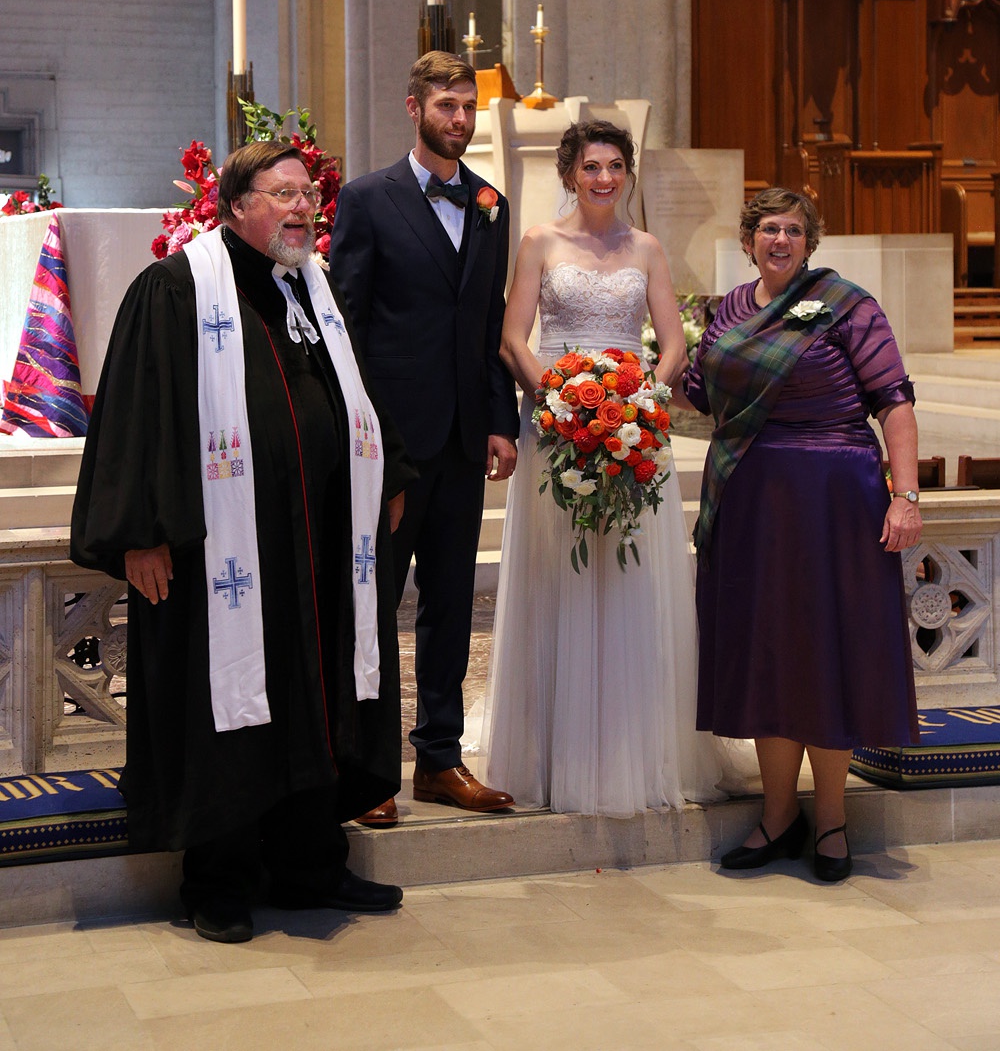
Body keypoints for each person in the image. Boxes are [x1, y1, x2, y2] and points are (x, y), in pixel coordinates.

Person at [71, 141, 415, 943]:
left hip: (319, 541)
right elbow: (135, 418)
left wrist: (387, 473)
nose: (303, 208)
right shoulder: (177, 290)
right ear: (235, 205)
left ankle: (309, 865)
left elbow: (357, 392)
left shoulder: (312, 290)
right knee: (229, 707)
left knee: (316, 695)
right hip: (219, 551)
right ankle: (218, 881)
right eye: (284, 193)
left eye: (309, 194)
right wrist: (141, 535)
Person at [677, 187, 922, 882]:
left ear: (809, 242)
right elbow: (698, 392)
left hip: (833, 500)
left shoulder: (848, 305)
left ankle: (834, 820)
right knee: (769, 651)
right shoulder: (725, 310)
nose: (779, 240)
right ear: (749, 239)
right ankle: (778, 817)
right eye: (766, 229)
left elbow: (894, 404)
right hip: (751, 497)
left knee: (825, 652)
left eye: (791, 231)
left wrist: (903, 497)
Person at [479, 119, 722, 815]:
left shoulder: (646, 248)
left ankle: (629, 744)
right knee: (559, 574)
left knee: (627, 575)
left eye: (615, 166)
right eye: (591, 166)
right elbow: (512, 336)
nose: (604, 178)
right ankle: (557, 751)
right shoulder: (539, 242)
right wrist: (555, 399)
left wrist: (643, 397)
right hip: (558, 427)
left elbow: (673, 342)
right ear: (569, 173)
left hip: (631, 429)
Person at [328, 51, 520, 820]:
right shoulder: (368, 200)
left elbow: (487, 325)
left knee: (449, 602)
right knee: (372, 602)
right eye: (446, 106)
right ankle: (364, 768)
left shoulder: (490, 204)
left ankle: (440, 759)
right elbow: (347, 325)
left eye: (468, 107)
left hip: (465, 440)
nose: (460, 119)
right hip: (390, 445)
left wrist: (501, 421)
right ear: (414, 109)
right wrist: (370, 441)